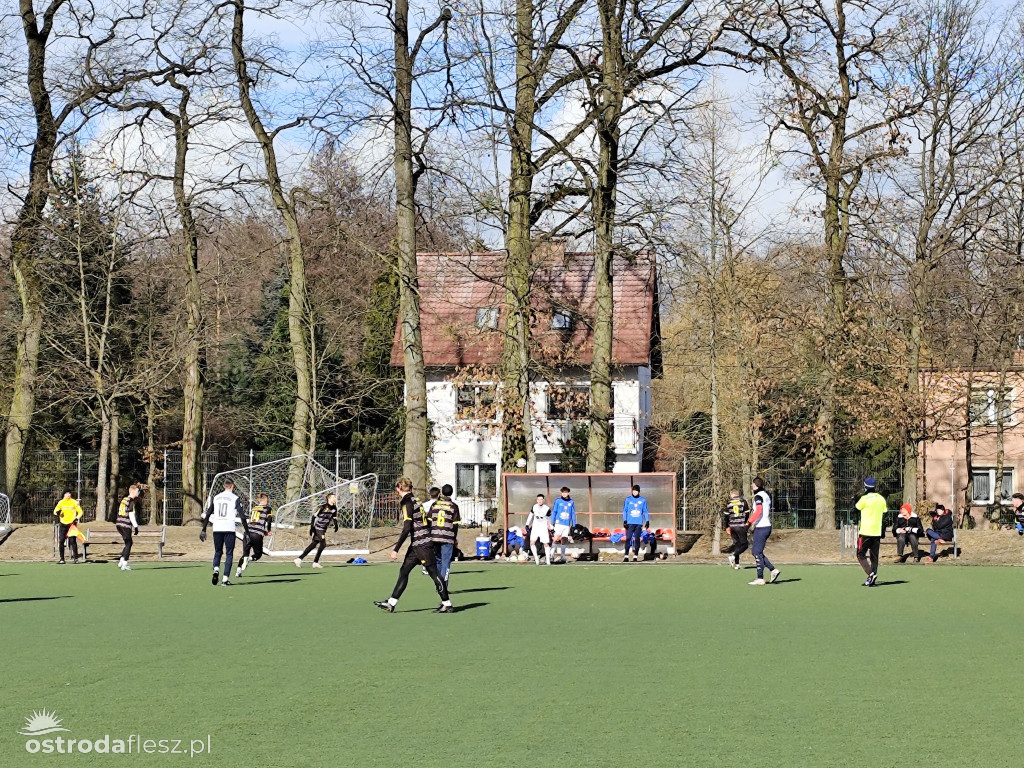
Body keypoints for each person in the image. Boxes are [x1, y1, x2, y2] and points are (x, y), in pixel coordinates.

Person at [375, 477, 453, 613]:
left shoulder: (407, 503)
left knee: (434, 573)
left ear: (398, 489)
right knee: (404, 571)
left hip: (421, 545)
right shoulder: (416, 500)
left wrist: (396, 549)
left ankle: (447, 603)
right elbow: (426, 522)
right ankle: (391, 602)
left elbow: (406, 528)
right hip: (417, 544)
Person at [200, 479, 249, 585]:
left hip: (217, 528)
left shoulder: (216, 497)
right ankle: (225, 579)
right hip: (229, 528)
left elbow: (208, 513)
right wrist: (247, 532)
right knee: (229, 553)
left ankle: (216, 569)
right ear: (232, 486)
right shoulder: (235, 498)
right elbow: (242, 516)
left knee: (218, 551)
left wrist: (203, 529)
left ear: (223, 486)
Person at [748, 477, 780, 585]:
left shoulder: (758, 496)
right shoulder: (766, 495)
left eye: (752, 485)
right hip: (766, 526)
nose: (752, 487)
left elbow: (759, 511)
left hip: (762, 527)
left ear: (756, 485)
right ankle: (773, 570)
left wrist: (749, 522)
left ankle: (760, 578)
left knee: (756, 552)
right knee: (756, 552)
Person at [854, 477, 886, 586]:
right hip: (876, 531)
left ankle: (871, 574)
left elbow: (857, 507)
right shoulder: (881, 499)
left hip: (865, 531)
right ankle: (872, 579)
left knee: (860, 554)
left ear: (865, 487)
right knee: (874, 557)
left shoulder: (864, 499)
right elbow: (884, 511)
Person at [294, 493, 338, 569]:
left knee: (314, 544)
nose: (335, 499)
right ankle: (315, 562)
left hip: (323, 529)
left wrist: (336, 525)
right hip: (318, 528)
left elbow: (334, 518)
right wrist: (311, 528)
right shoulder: (323, 507)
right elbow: (314, 516)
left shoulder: (334, 508)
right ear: (329, 499)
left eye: (335, 497)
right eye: (333, 497)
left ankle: (299, 559)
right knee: (323, 544)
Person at [236, 493, 274, 578]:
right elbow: (269, 520)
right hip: (257, 534)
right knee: (258, 554)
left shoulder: (253, 508)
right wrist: (268, 531)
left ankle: (238, 571)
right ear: (264, 500)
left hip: (247, 533)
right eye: (267, 500)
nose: (268, 501)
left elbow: (254, 522)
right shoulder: (268, 509)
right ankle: (249, 559)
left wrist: (264, 532)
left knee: (245, 553)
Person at [430, 484, 460, 584]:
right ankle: (443, 587)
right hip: (447, 538)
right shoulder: (453, 506)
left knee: (438, 561)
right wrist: (454, 539)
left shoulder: (434, 504)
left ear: (442, 492)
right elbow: (455, 525)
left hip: (434, 537)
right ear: (451, 493)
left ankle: (438, 585)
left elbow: (429, 521)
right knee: (446, 563)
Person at [115, 483, 142, 571]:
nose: (138, 493)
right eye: (137, 491)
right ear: (133, 491)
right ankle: (124, 563)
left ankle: (121, 560)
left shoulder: (124, 499)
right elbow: (131, 514)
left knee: (128, 543)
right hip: (125, 524)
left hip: (119, 524)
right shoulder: (131, 501)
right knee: (129, 543)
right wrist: (136, 526)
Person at [53, 490, 83, 564]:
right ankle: (62, 559)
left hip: (71, 524)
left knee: (73, 541)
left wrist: (77, 518)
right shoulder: (61, 502)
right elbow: (55, 510)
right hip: (63, 524)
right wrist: (57, 513)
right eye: (67, 493)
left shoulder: (74, 502)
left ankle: (76, 559)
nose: (68, 495)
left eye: (69, 493)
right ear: (64, 494)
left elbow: (80, 512)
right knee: (61, 541)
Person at [622, 484, 650, 562]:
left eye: (636, 491)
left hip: (638, 523)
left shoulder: (643, 500)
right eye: (633, 490)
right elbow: (625, 510)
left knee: (637, 539)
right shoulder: (628, 499)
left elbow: (645, 511)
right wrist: (625, 520)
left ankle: (635, 556)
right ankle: (626, 556)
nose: (634, 492)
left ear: (638, 491)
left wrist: (647, 520)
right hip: (630, 523)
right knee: (628, 538)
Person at [722, 489, 750, 570]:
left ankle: (737, 564)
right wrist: (745, 522)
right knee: (745, 544)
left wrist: (726, 526)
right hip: (740, 525)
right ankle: (733, 556)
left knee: (737, 544)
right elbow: (747, 513)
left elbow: (726, 516)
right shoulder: (743, 501)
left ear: (732, 494)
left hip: (732, 526)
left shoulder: (728, 503)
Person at [551, 487, 576, 563]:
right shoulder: (558, 501)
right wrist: (552, 522)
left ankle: (562, 557)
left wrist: (574, 524)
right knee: (555, 539)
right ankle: (551, 556)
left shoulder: (571, 502)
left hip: (566, 524)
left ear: (568, 493)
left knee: (564, 540)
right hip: (559, 523)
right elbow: (554, 511)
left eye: (565, 492)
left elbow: (573, 513)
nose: (564, 494)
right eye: (563, 492)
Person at [526, 494, 552, 565]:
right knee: (532, 542)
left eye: (541, 499)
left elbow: (549, 519)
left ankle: (548, 560)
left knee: (546, 544)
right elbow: (530, 515)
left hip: (543, 528)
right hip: (535, 527)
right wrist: (527, 524)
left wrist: (551, 528)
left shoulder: (546, 509)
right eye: (538, 499)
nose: (540, 501)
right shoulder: (534, 507)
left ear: (543, 500)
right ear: (536, 500)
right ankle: (536, 559)